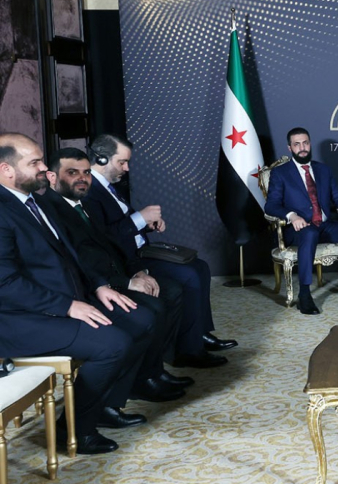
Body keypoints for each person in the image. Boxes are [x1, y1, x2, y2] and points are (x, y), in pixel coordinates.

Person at [0, 133, 155, 454]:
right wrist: (68, 306)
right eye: (34, 163)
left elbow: (70, 253)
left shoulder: (31, 200)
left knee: (141, 319)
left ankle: (104, 407)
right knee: (113, 344)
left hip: (62, 300)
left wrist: (99, 285)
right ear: (6, 170)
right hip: (19, 319)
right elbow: (6, 284)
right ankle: (73, 429)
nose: (43, 168)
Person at [43, 148, 194, 403]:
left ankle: (152, 372)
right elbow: (77, 263)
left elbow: (111, 246)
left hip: (114, 276)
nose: (82, 178)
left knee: (170, 291)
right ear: (52, 177)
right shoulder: (51, 211)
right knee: (152, 309)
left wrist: (137, 272)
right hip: (90, 287)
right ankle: (140, 382)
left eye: (86, 173)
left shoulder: (83, 204)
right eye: (72, 173)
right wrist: (126, 283)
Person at [84, 133, 236, 366]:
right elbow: (104, 237)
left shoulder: (108, 186)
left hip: (141, 251)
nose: (126, 168)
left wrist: (146, 224)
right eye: (122, 162)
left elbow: (122, 224)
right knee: (189, 275)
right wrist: (139, 218)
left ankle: (200, 334)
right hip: (127, 260)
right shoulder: (90, 191)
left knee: (200, 267)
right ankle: (188, 350)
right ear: (102, 159)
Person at [264, 127, 338, 313]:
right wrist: (292, 215)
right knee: (310, 233)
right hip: (299, 230)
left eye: (305, 143)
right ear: (290, 148)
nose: (302, 148)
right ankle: (304, 295)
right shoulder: (280, 173)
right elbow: (271, 205)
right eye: (297, 144)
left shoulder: (323, 170)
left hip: (325, 225)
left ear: (310, 144)